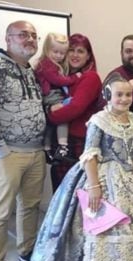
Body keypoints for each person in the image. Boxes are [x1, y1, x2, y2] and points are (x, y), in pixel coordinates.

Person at [29, 73, 133, 261]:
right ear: (108, 95)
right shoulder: (99, 120)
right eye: (119, 95)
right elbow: (90, 154)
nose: (124, 99)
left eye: (128, 95)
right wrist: (94, 186)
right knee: (111, 224)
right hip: (106, 176)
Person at [0, 20, 46, 261]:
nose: (30, 39)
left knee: (30, 206)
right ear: (8, 38)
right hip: (7, 153)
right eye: (23, 35)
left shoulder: (29, 69)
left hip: (35, 150)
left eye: (34, 36)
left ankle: (26, 253)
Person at [48, 33, 102, 191]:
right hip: (62, 142)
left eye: (80, 51)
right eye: (71, 50)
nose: (75, 55)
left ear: (88, 56)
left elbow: (75, 108)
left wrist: (47, 116)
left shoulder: (90, 77)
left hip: (78, 143)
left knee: (73, 195)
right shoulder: (62, 77)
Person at [35, 32, 81, 163]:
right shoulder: (47, 64)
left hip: (49, 95)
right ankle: (63, 146)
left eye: (62, 53)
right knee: (63, 116)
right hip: (51, 95)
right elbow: (58, 80)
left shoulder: (50, 64)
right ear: (46, 49)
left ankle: (47, 148)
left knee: (50, 124)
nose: (59, 56)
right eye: (55, 52)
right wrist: (74, 78)